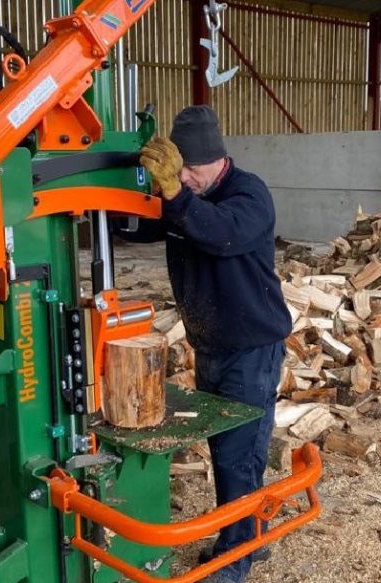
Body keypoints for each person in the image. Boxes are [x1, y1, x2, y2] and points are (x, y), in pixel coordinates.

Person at [125, 105, 292, 583]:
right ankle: (248, 536)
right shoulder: (185, 198)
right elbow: (142, 223)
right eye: (178, 174)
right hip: (212, 345)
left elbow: (221, 233)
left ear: (217, 161)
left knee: (239, 454)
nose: (185, 182)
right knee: (227, 450)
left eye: (190, 173)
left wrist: (176, 193)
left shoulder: (249, 194)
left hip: (252, 348)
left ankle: (235, 560)